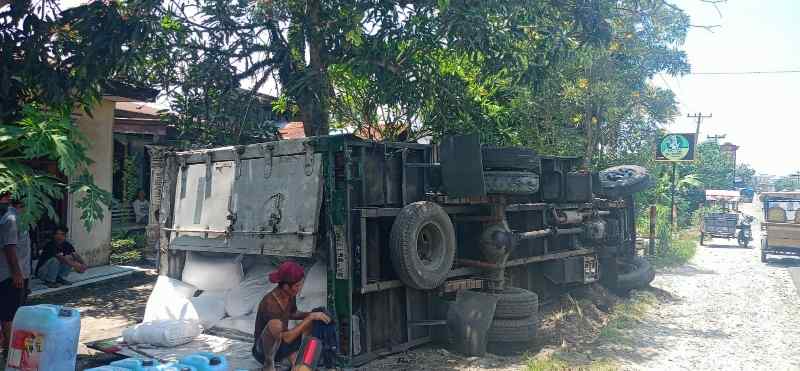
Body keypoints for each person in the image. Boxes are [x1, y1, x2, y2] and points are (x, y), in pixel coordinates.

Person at [252, 261, 330, 371]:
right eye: (297, 285)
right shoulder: (271, 303)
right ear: (285, 286)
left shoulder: (289, 295)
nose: (300, 288)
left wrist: (311, 314)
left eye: (301, 284)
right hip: (264, 351)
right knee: (276, 324)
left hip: (282, 342)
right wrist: (310, 318)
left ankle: (299, 363)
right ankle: (269, 364)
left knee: (317, 314)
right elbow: (286, 337)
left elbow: (293, 313)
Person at [0, 194, 29, 352]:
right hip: (11, 275)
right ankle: (9, 351)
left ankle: (7, 347)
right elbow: (9, 248)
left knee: (10, 312)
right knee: (10, 314)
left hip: (16, 273)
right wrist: (17, 274)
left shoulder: (14, 217)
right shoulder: (12, 218)